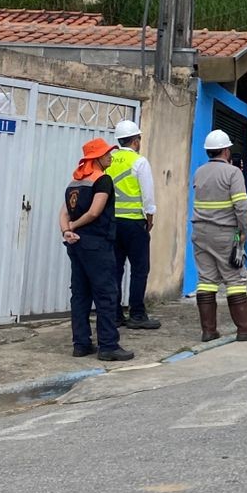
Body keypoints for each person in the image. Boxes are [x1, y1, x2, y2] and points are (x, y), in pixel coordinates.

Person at [190, 129, 247, 342]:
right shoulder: (233, 173)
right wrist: (244, 231)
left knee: (206, 280)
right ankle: (244, 328)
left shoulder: (199, 172)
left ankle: (208, 331)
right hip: (225, 233)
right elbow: (242, 205)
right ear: (226, 151)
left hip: (199, 232)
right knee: (235, 278)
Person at [59, 138, 133, 361]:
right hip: (97, 245)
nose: (110, 156)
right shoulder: (102, 180)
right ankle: (108, 346)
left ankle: (81, 344)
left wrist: (66, 231)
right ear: (97, 158)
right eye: (107, 154)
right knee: (106, 294)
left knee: (80, 295)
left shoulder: (75, 182)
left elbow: (63, 213)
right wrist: (73, 226)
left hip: (76, 245)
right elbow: (94, 212)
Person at [107, 119, 161, 332]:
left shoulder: (109, 160)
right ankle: (137, 313)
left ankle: (115, 314)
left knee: (115, 269)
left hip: (112, 223)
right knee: (140, 269)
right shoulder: (139, 162)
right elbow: (147, 194)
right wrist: (150, 216)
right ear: (136, 140)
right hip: (133, 223)